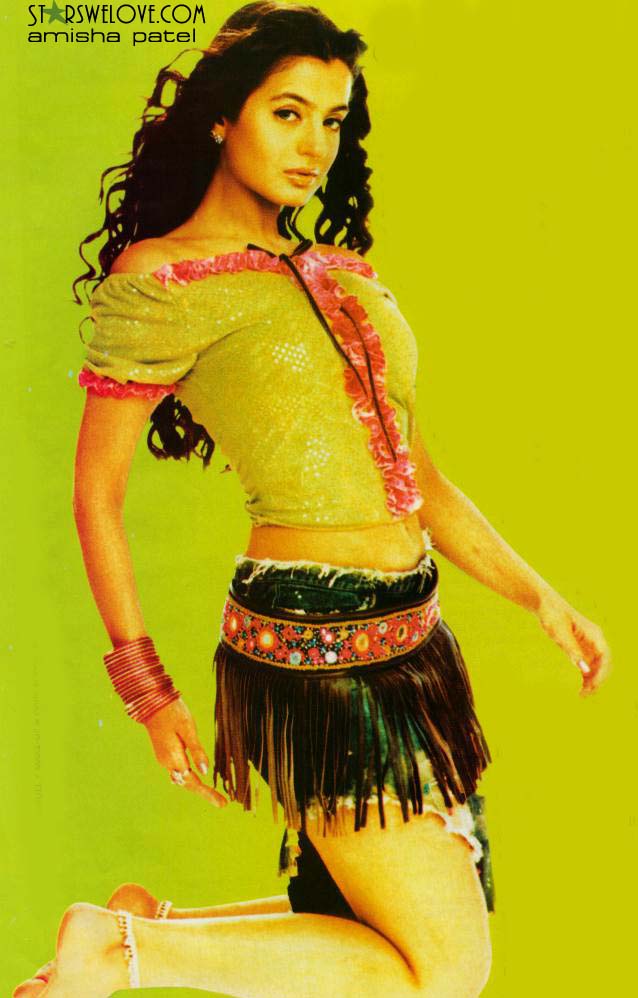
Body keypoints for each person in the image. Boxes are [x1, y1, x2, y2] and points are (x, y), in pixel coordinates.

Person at [14, 2, 611, 996]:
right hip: (314, 647)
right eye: (287, 113)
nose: (314, 146)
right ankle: (114, 949)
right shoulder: (162, 279)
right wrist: (146, 687)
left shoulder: (342, 274)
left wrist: (538, 596)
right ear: (223, 116)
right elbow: (95, 494)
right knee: (445, 972)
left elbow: (419, 477)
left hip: (416, 641)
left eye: (332, 121)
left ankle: (145, 929)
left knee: (374, 930)